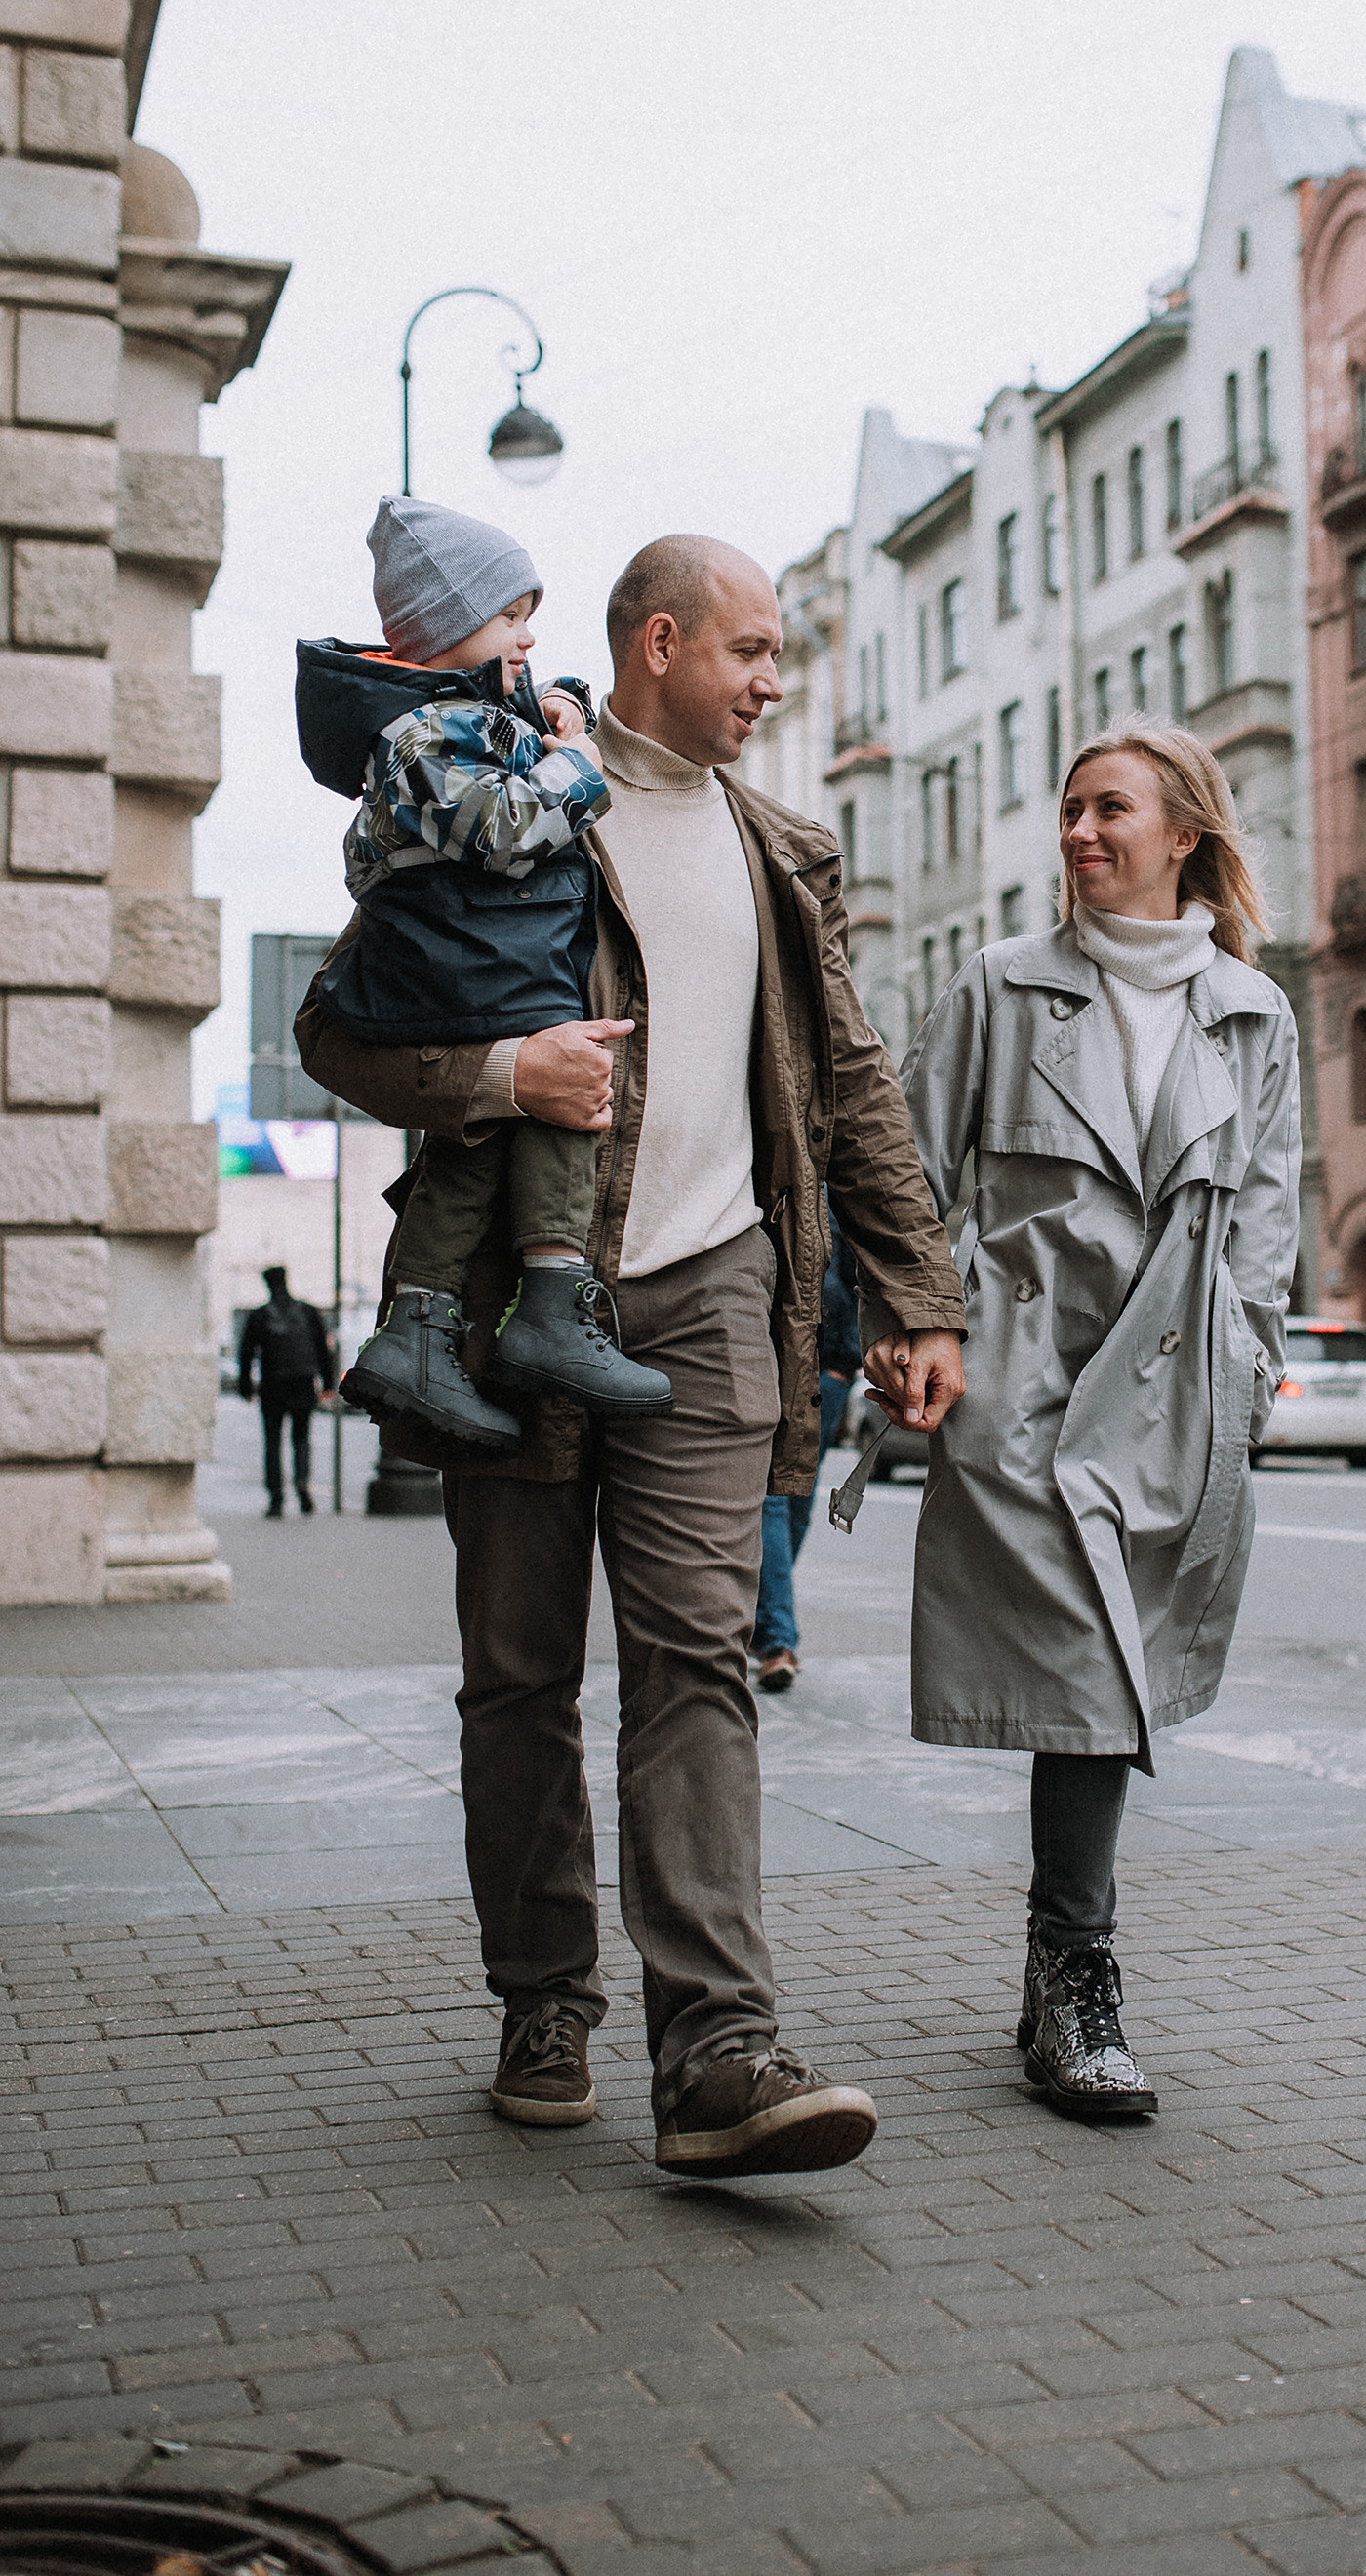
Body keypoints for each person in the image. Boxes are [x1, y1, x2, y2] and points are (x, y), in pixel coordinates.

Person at [296, 534, 966, 2181]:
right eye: (748, 650)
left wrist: (915, 1294)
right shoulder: (510, 800)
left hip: (717, 1301)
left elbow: (854, 1086)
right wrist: (496, 1076)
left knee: (698, 1665)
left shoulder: (779, 852)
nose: (770, 682)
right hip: (537, 1311)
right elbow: (338, 1027)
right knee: (521, 1674)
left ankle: (718, 2045)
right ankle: (542, 1997)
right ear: (655, 643)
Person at [897, 720, 1300, 2124]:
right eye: (1068, 810)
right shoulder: (1000, 986)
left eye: (1107, 808)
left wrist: (1248, 1351)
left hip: (1177, 1382)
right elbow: (905, 1166)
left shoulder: (1252, 1008)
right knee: (1086, 1670)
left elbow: (1264, 1208)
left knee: (1102, 1674)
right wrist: (921, 1319)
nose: (1078, 833)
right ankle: (1079, 1968)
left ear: (1183, 830)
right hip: (1027, 1378)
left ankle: (1056, 1967)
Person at [296, 495, 672, 1450]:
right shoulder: (415, 737)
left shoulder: (458, 723)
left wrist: (553, 710)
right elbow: (503, 828)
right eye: (511, 615)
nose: (530, 632)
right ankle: (542, 1300)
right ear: (443, 627)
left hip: (482, 967)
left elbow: (506, 759)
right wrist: (580, 761)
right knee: (556, 1091)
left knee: (490, 1135)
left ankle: (424, 1327)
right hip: (469, 973)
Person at [752, 1204, 863, 1692]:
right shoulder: (768, 1187)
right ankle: (778, 1639)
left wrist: (845, 1361)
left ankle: (761, 1621)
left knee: (799, 1502)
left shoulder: (841, 1194)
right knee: (773, 1498)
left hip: (828, 1370)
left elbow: (860, 1278)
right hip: (774, 1362)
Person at [237, 1264, 335, 1517]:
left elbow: (246, 1353)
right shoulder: (307, 1311)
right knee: (301, 1438)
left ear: (268, 1285)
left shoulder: (259, 1315)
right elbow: (324, 1350)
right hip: (303, 1382)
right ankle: (302, 1482)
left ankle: (276, 1498)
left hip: (273, 1384)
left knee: (273, 1441)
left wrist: (245, 1386)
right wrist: (328, 1384)